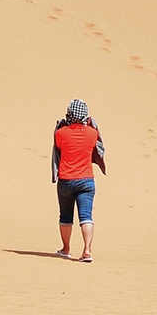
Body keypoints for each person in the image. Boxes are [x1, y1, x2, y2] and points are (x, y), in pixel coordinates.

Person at [50, 99, 106, 262]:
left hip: (66, 179)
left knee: (66, 216)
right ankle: (87, 250)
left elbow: (59, 147)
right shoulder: (92, 133)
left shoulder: (60, 133)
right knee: (86, 216)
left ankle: (66, 249)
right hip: (87, 180)